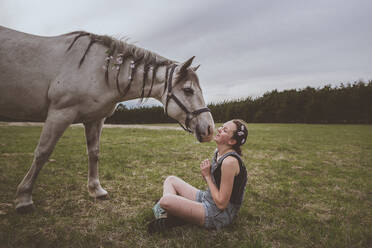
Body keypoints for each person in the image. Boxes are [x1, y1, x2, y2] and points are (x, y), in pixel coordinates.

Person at [148, 119, 248, 233]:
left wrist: (208, 176)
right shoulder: (219, 152)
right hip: (207, 198)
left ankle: (171, 214)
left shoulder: (229, 162)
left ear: (232, 141)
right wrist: (208, 176)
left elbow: (221, 204)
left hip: (218, 214)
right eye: (222, 126)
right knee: (170, 180)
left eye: (225, 130)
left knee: (165, 201)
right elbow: (217, 185)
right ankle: (171, 214)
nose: (219, 129)